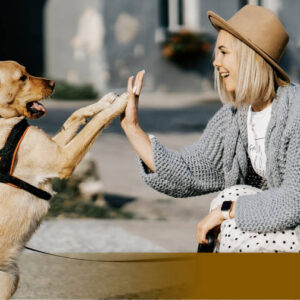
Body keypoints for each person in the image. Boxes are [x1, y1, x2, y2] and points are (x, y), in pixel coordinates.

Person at [120, 5, 300, 252]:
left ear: (250, 56)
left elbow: (293, 201)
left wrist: (225, 214)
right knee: (232, 196)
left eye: (224, 52)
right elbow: (190, 172)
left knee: (233, 218)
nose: (216, 62)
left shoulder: (296, 113)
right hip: (282, 231)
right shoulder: (235, 117)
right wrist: (132, 128)